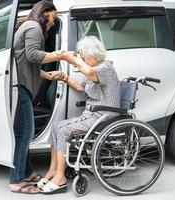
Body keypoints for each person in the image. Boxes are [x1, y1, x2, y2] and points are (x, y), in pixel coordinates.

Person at [37, 36, 121, 194]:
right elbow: (80, 86)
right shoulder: (94, 69)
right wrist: (64, 76)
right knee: (56, 126)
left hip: (103, 116)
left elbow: (88, 72)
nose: (82, 59)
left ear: (93, 55)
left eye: (84, 56)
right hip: (92, 115)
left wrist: (74, 59)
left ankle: (60, 178)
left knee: (63, 131)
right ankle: (53, 170)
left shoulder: (105, 68)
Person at [10, 0, 74, 194]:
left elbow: (30, 65)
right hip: (21, 88)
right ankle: (16, 180)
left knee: (24, 133)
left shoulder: (28, 26)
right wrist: (61, 55)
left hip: (22, 86)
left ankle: (26, 171)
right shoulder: (34, 26)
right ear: (44, 13)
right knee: (25, 134)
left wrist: (49, 75)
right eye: (53, 17)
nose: (53, 22)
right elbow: (32, 55)